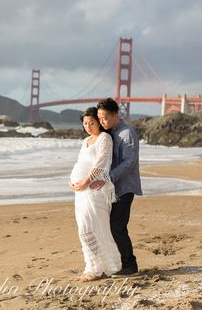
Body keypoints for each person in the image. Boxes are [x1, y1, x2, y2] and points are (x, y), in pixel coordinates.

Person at [69, 107, 122, 282]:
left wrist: (86, 181)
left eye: (92, 122)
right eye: (85, 123)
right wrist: (71, 180)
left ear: (99, 122)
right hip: (81, 192)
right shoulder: (85, 141)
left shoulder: (104, 138)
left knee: (91, 228)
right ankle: (92, 266)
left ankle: (97, 268)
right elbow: (79, 162)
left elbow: (101, 163)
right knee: (83, 229)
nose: (88, 126)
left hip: (95, 190)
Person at [91, 98, 142, 277]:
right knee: (113, 226)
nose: (102, 121)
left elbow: (129, 163)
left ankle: (130, 266)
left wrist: (106, 177)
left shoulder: (126, 133)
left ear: (115, 115)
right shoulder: (110, 132)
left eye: (104, 118)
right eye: (100, 118)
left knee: (117, 226)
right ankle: (120, 263)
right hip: (112, 187)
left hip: (125, 187)